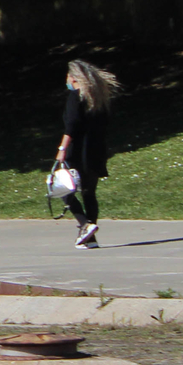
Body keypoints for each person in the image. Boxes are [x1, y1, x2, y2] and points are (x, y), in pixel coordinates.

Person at [55, 59, 120, 249]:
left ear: (73, 78)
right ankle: (90, 239)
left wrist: (62, 148)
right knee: (89, 192)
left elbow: (72, 125)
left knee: (62, 188)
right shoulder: (99, 99)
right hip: (95, 149)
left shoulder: (75, 96)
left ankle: (85, 224)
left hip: (77, 150)